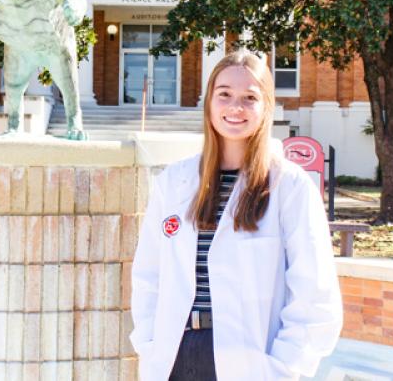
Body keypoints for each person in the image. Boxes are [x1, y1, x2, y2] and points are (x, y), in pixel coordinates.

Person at [130, 49, 343, 381]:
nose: (235, 107)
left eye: (249, 97)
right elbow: (148, 276)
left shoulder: (290, 186)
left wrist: (282, 367)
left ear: (266, 106)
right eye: (225, 94)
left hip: (249, 363)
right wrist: (149, 341)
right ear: (209, 102)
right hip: (174, 355)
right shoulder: (174, 181)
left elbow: (315, 294)